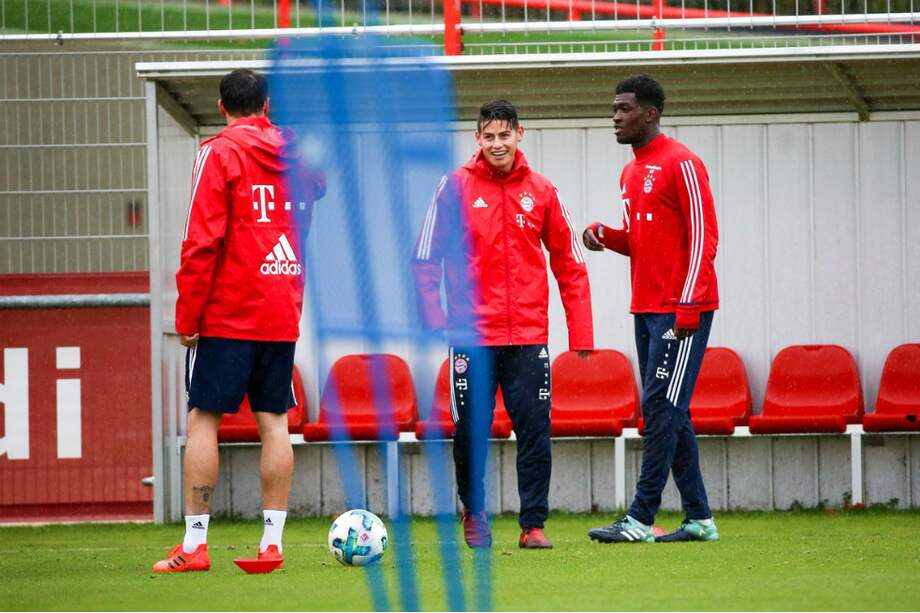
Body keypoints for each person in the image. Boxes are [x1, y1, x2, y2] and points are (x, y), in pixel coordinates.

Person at [153, 69, 325, 572]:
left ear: (221, 105)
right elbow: (317, 187)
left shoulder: (218, 152)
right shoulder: (296, 153)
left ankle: (195, 544)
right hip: (282, 307)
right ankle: (272, 544)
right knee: (274, 422)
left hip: (229, 311)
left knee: (203, 419)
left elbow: (200, 242)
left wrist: (188, 316)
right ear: (267, 105)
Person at [413, 100, 594, 549]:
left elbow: (570, 262)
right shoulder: (453, 187)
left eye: (504, 135)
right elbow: (424, 260)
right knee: (470, 431)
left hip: (528, 338)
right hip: (471, 337)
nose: (497, 144)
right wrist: (435, 319)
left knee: (535, 431)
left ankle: (533, 525)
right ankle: (474, 515)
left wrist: (582, 332)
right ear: (478, 139)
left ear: (519, 135)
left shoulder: (543, 190)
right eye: (488, 136)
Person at [582, 75, 720, 543]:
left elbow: (705, 238)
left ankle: (640, 517)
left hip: (683, 309)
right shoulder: (630, 172)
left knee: (661, 408)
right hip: (645, 309)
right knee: (670, 411)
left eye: (623, 108)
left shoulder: (683, 163)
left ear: (651, 114)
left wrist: (689, 303)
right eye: (613, 108)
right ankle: (700, 519)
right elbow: (642, 241)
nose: (615, 116)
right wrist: (608, 236)